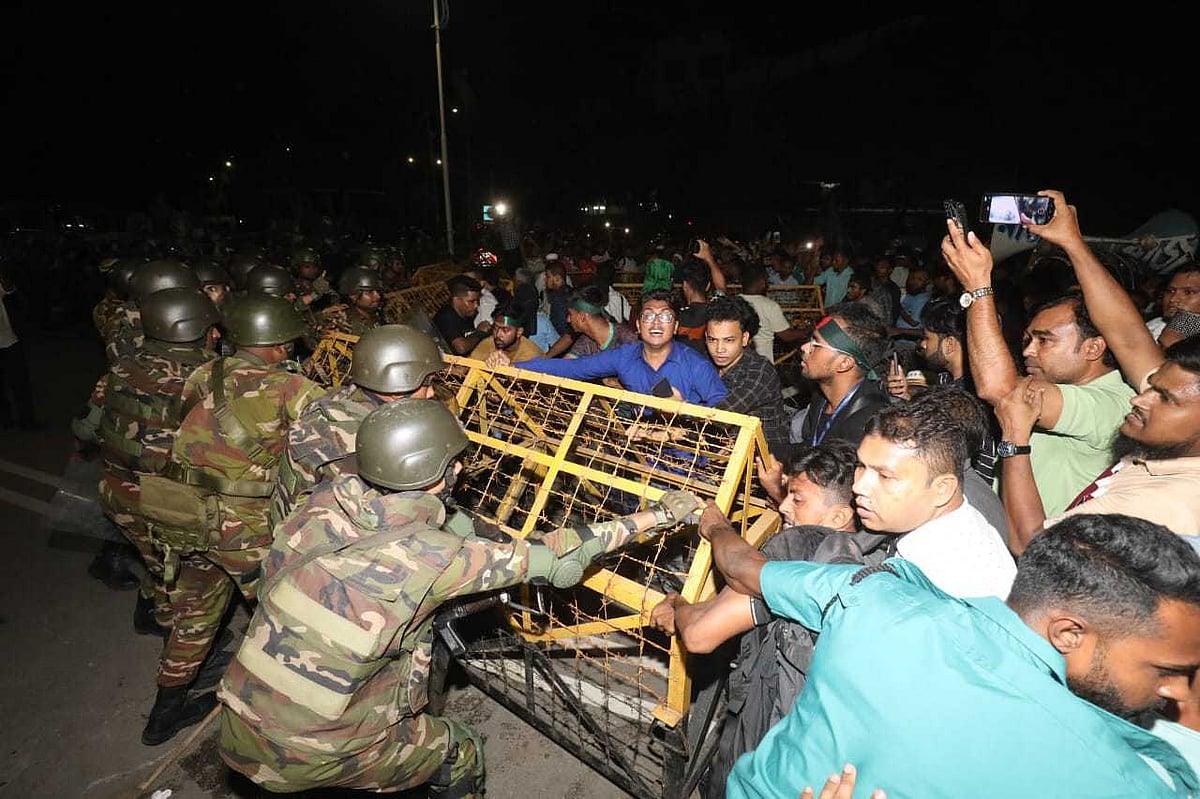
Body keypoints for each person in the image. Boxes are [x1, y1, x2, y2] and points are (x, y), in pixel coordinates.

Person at [217, 397, 702, 795]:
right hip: (310, 751)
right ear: (439, 470)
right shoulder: (433, 558)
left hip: (238, 719)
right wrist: (659, 515)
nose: (463, 467)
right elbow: (561, 557)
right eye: (454, 462)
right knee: (458, 750)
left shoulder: (322, 505)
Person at [701, 506, 1200, 798]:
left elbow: (745, 568)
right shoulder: (1122, 784)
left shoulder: (874, 595)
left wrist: (716, 526)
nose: (1179, 691)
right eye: (1168, 669)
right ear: (1068, 634)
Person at [138, 294, 326, 746]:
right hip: (244, 529)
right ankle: (291, 717)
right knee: (288, 616)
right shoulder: (292, 388)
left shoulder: (204, 373)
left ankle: (164, 714)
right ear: (281, 344)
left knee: (194, 615)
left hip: (186, 515)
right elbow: (332, 443)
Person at [985, 190, 1200, 552]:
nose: (1140, 398)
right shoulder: (1180, 411)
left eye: (1164, 398)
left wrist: (1015, 443)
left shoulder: (1166, 501)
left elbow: (1033, 545)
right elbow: (1127, 336)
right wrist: (1072, 241)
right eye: (1152, 387)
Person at [943, 224, 1135, 518]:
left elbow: (1002, 390)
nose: (1028, 351)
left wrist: (978, 287)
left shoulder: (1110, 403)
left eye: (1045, 340)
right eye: (1028, 341)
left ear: (1093, 348)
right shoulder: (1063, 390)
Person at [76, 288, 221, 631]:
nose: (217, 335)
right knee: (190, 580)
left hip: (116, 490)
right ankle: (173, 633)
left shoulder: (122, 367)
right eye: (211, 328)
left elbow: (83, 429)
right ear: (191, 329)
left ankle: (150, 611)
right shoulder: (207, 379)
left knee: (159, 562)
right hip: (164, 501)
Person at [271, 323, 444, 528]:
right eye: (427, 383)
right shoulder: (361, 446)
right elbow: (380, 518)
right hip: (312, 538)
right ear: (398, 387)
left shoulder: (342, 398)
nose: (431, 392)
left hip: (297, 522)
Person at [499, 290, 728, 405]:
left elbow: (725, 415)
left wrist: (684, 413)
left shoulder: (697, 366)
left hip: (688, 464)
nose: (656, 323)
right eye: (648, 316)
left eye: (666, 317)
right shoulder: (624, 357)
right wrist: (513, 366)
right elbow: (570, 368)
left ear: (676, 326)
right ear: (638, 325)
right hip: (639, 452)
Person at [704, 294, 792, 461]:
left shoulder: (760, 371)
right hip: (725, 451)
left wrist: (679, 415)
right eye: (712, 340)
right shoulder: (705, 363)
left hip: (766, 459)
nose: (719, 349)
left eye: (729, 340)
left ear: (745, 338)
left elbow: (719, 416)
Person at [793, 305, 891, 448]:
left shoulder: (867, 427)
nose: (805, 347)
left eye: (816, 344)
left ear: (844, 363)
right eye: (811, 339)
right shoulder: (822, 398)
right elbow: (810, 447)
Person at [737, 263, 807, 361]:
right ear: (762, 282)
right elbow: (786, 336)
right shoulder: (770, 306)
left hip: (736, 360)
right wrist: (809, 330)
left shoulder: (734, 301)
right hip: (762, 362)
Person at [675, 241, 727, 350]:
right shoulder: (716, 310)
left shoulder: (675, 315)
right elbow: (721, 287)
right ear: (708, 286)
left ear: (685, 286)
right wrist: (709, 259)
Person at [313, 265, 385, 338]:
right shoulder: (339, 321)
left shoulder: (381, 315)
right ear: (353, 295)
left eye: (378, 291)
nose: (377, 296)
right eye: (369, 292)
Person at [472, 299, 545, 366]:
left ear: (519, 332)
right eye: (495, 328)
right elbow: (468, 366)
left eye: (505, 330)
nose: (498, 334)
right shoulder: (488, 343)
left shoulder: (532, 356)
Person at [434, 274, 488, 356]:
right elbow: (461, 348)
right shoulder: (445, 317)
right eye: (471, 301)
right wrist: (479, 332)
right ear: (456, 300)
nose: (476, 305)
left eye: (477, 301)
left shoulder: (468, 314)